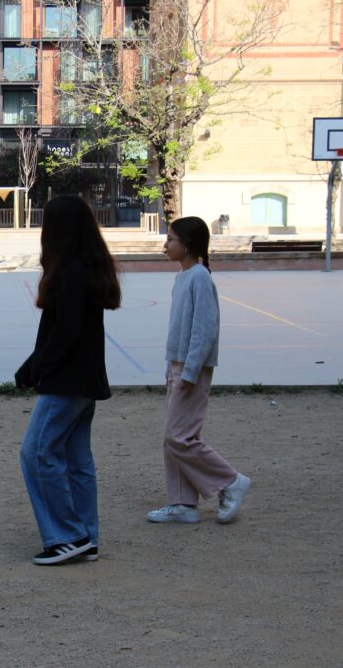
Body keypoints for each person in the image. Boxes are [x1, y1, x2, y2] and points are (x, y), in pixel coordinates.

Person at [14, 194, 121, 565]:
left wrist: (35, 368)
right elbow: (65, 329)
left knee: (36, 453)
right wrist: (33, 365)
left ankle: (67, 536)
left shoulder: (73, 271)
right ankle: (86, 537)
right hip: (80, 380)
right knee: (75, 459)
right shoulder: (83, 266)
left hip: (68, 381)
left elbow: (66, 332)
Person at [147, 216, 250, 525]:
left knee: (179, 437)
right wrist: (173, 367)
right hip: (177, 365)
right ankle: (182, 504)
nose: (165, 245)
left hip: (191, 369)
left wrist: (190, 372)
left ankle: (230, 481)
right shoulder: (183, 277)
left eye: (171, 239)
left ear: (188, 244)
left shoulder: (200, 278)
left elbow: (205, 330)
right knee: (174, 438)